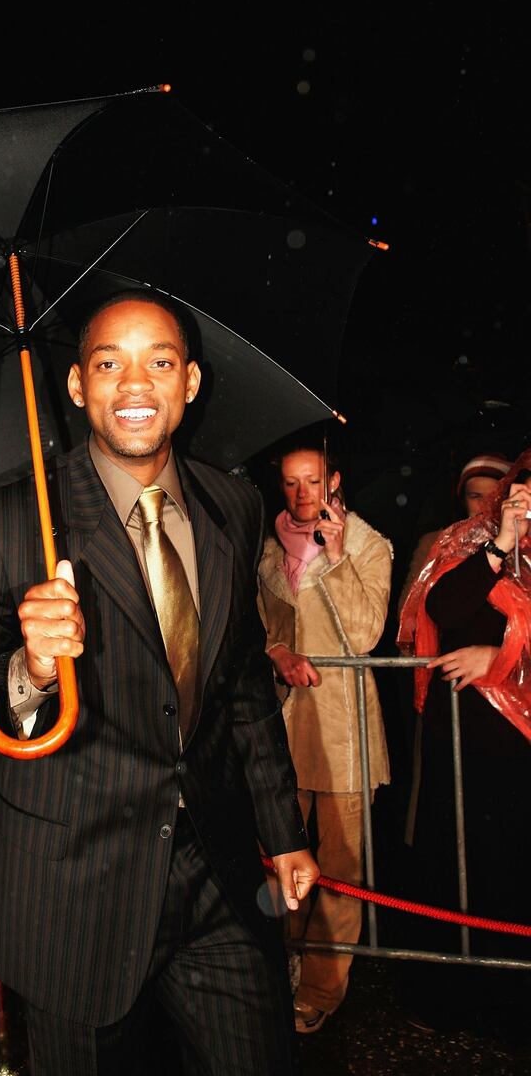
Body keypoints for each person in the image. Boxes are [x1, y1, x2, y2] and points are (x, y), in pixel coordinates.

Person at [0, 291, 319, 1075]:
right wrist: (24, 671)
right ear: (75, 386)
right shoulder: (5, 522)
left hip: (217, 878)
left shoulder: (232, 505)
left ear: (190, 382)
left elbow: (240, 689)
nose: (135, 385)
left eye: (159, 362)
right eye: (109, 364)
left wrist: (284, 828)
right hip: (76, 895)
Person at [256, 440, 393, 1033]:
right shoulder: (266, 550)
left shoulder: (367, 543)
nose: (302, 495)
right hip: (283, 725)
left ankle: (321, 987)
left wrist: (336, 558)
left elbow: (365, 635)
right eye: (290, 483)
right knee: (275, 859)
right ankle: (274, 969)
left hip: (343, 730)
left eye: (312, 481)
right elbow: (260, 627)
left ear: (333, 480)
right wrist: (278, 650)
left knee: (340, 868)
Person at [396, 450, 531, 1043]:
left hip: (518, 742)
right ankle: (447, 996)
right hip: (461, 734)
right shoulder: (467, 543)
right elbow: (444, 607)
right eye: (517, 493)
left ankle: (509, 1003)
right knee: (452, 860)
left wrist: (500, 658)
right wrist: (502, 542)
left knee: (512, 865)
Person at [397, 452, 511, 615]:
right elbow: (408, 610)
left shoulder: (521, 544)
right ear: (463, 500)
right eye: (475, 496)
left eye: (493, 496)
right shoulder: (436, 543)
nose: (484, 504)